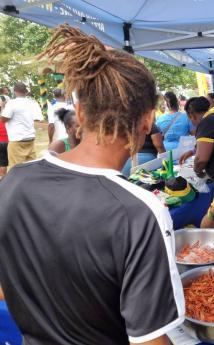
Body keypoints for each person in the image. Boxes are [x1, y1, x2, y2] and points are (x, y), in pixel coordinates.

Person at [0, 24, 184, 345]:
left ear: (81, 114)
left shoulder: (15, 180)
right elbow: (150, 340)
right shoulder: (139, 212)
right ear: (148, 119)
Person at [0, 82, 43, 169]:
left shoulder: (12, 103)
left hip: (17, 140)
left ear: (15, 91)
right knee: (30, 168)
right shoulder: (33, 103)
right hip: (30, 139)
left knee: (16, 170)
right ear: (25, 92)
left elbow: (3, 119)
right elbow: (38, 119)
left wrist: (3, 108)